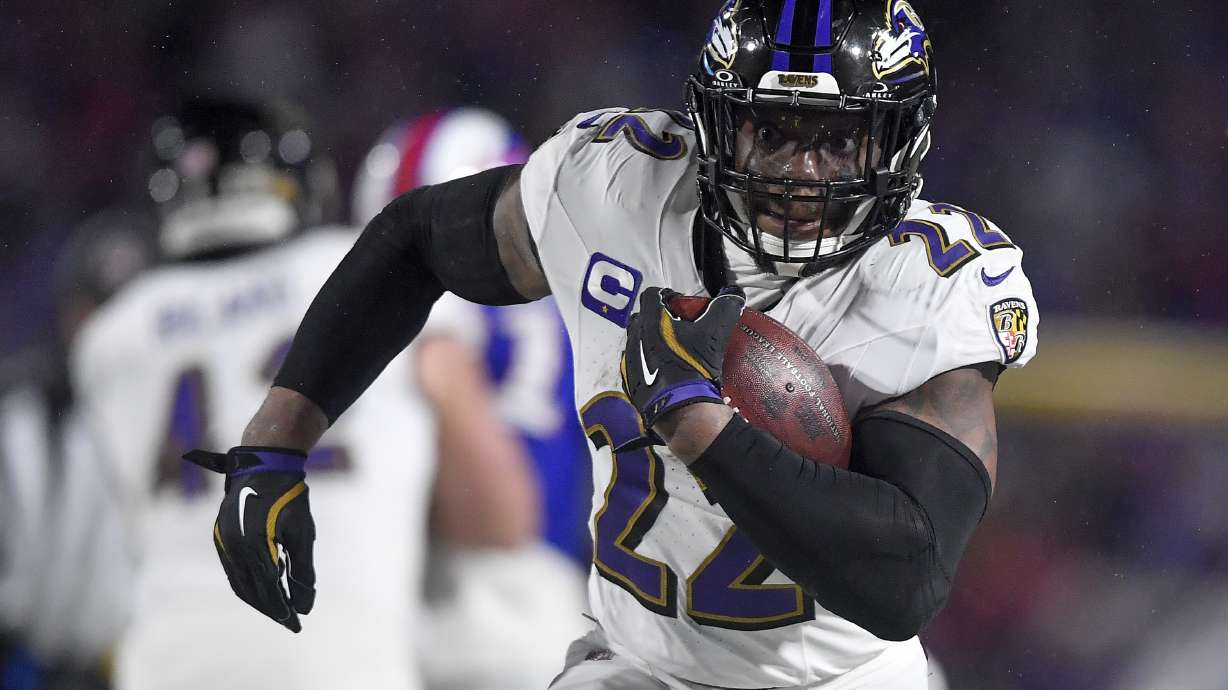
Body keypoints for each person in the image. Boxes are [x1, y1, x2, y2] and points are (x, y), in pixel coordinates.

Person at [189, 1, 1040, 687]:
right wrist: (275, 445)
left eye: (834, 140)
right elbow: (416, 238)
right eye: (771, 130)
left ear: (896, 142)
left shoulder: (930, 283)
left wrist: (700, 424)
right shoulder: (617, 188)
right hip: (639, 667)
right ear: (714, 124)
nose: (798, 173)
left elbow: (905, 581)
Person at [70, 98, 445, 690]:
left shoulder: (112, 337)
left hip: (170, 664)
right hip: (344, 665)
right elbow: (485, 512)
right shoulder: (360, 268)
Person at [354, 108, 591, 690]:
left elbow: (498, 517)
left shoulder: (444, 315)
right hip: (566, 604)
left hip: (482, 607)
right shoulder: (580, 297)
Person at [1, 207, 156, 690]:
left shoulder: (194, 423)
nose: (109, 336)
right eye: (97, 313)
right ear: (68, 315)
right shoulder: (25, 417)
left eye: (125, 315)